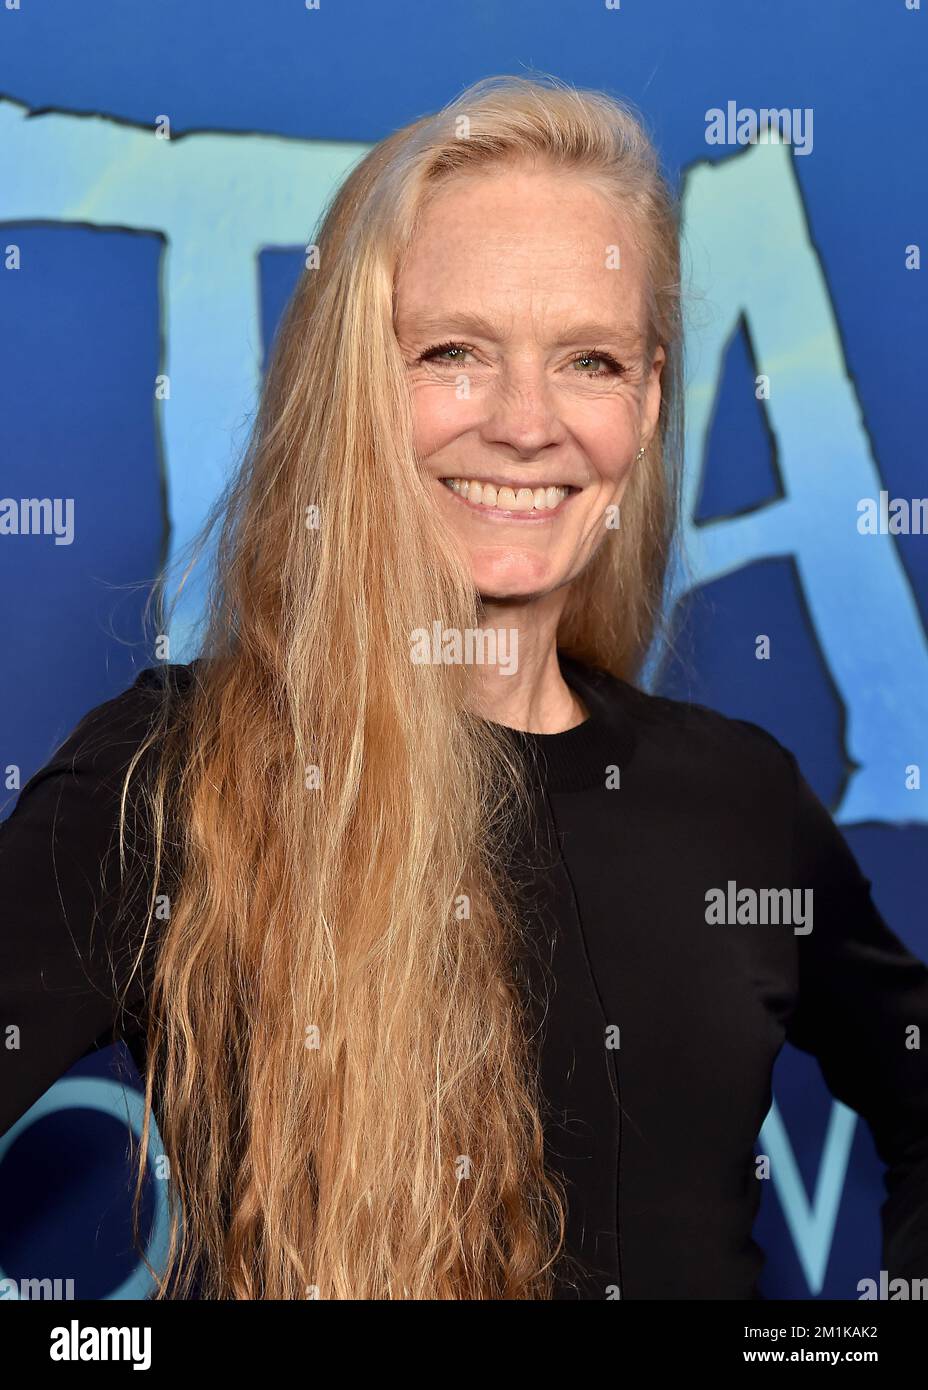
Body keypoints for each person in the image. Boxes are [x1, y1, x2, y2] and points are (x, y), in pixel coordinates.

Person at [1, 74, 927, 1301]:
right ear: (355, 390)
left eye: (589, 361)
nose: (526, 423)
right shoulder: (172, 774)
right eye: (453, 353)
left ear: (647, 402)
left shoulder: (737, 798)